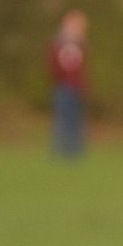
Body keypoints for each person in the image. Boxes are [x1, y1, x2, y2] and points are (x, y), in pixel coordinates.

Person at [49, 10, 89, 158]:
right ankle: (61, 152)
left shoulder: (81, 45)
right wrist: (62, 80)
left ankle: (75, 153)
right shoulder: (58, 44)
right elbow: (54, 66)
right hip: (64, 87)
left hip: (78, 88)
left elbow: (82, 69)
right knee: (63, 119)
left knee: (77, 120)